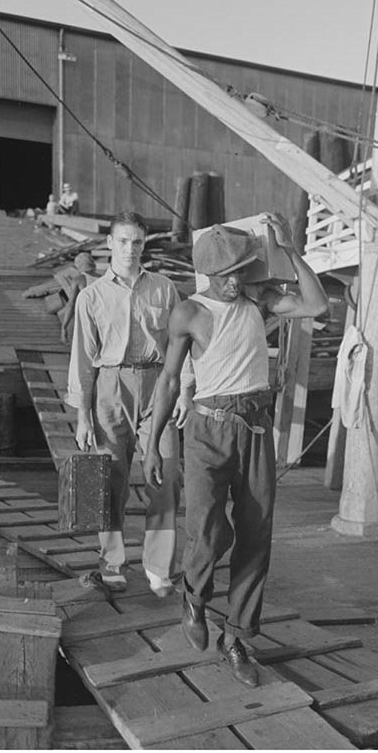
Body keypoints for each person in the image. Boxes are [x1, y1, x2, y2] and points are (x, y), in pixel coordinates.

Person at [143, 214, 328, 686]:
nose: (233, 282)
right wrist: (152, 442)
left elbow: (316, 303)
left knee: (255, 533)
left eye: (241, 271)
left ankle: (238, 637)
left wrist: (289, 249)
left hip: (257, 430)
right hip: (207, 430)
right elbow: (167, 380)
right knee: (206, 530)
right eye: (225, 275)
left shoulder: (260, 301)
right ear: (208, 274)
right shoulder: (189, 313)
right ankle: (194, 597)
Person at [66, 212, 186, 596]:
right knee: (110, 479)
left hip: (158, 383)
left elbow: (181, 345)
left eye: (137, 242)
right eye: (123, 241)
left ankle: (158, 567)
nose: (130, 249)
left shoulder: (165, 289)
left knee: (166, 474)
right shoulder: (91, 297)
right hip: (110, 387)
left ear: (144, 244)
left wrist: (184, 389)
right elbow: (83, 361)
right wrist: (83, 415)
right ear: (109, 244)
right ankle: (113, 562)